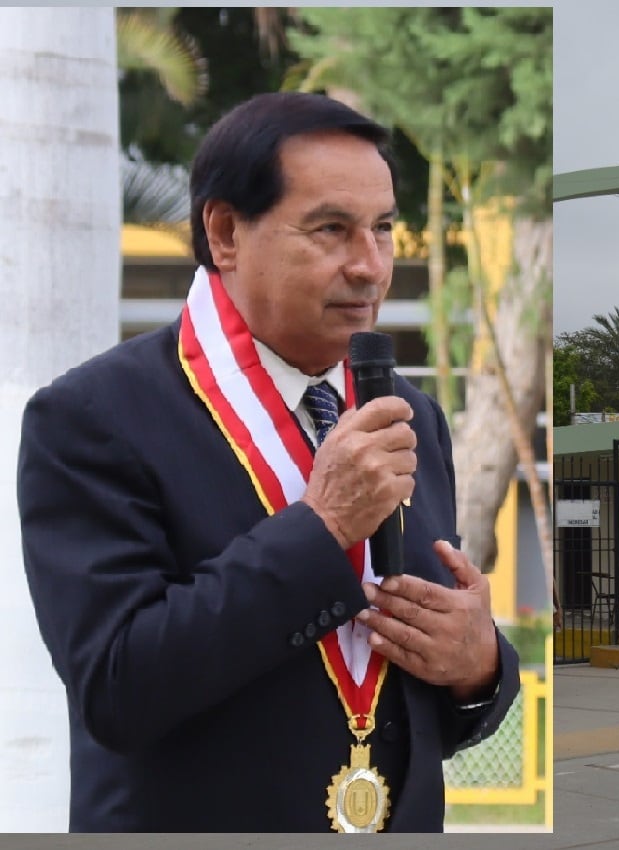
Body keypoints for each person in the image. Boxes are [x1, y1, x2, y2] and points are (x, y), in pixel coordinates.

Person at [16, 93, 520, 833]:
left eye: (382, 228)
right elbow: (115, 690)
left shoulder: (411, 416)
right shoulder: (94, 417)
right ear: (224, 231)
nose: (371, 266)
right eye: (331, 230)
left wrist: (479, 666)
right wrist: (321, 528)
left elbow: (416, 702)